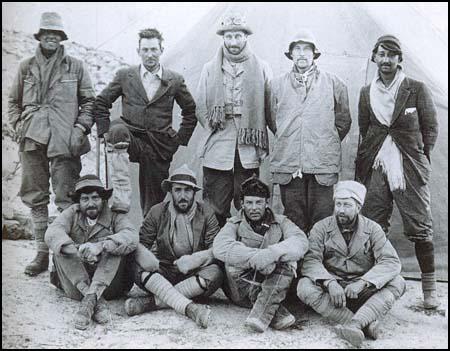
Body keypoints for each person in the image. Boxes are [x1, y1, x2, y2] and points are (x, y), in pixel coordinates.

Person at [355, 35, 440, 309]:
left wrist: (420, 158)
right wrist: (367, 161)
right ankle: (377, 283)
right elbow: (365, 129)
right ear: (374, 58)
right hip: (377, 163)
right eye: (381, 54)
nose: (386, 60)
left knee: (419, 225)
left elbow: (431, 128)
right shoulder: (366, 92)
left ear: (399, 59)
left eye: (391, 55)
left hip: (408, 165)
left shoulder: (416, 89)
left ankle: (430, 291)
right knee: (374, 223)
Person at [8, 12, 95, 276]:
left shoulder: (76, 66)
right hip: (32, 140)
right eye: (47, 32)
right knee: (36, 197)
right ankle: (41, 254)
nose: (51, 37)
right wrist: (19, 125)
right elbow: (13, 103)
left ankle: (65, 257)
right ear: (40, 35)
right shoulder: (26, 66)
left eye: (56, 33)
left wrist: (80, 129)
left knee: (67, 198)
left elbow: (89, 102)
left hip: (64, 141)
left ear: (61, 38)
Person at [95, 28, 197, 216]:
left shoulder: (174, 79)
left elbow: (190, 110)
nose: (150, 55)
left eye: (154, 50)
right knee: (117, 130)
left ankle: (150, 240)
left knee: (153, 205)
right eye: (145, 50)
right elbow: (101, 102)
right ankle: (121, 195)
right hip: (130, 137)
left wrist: (179, 139)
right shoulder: (125, 75)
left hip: (159, 145)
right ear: (138, 51)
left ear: (161, 50)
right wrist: (104, 132)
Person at [297, 180, 405, 347]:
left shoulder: (373, 229)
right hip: (333, 291)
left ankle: (355, 324)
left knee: (398, 282)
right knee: (303, 286)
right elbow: (311, 260)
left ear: (358, 207)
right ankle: (364, 323)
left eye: (347, 205)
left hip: (362, 290)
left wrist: (363, 283)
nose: (340, 210)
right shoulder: (321, 228)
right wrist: (329, 282)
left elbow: (390, 261)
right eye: (338, 204)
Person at [269, 29, 351, 233]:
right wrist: (293, 138)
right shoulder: (276, 85)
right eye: (297, 49)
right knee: (293, 217)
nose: (302, 53)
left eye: (307, 49)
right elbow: (273, 121)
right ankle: (295, 263)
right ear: (291, 54)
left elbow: (343, 121)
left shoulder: (334, 83)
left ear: (315, 53)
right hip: (289, 161)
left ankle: (317, 263)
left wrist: (322, 140)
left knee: (321, 217)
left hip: (322, 162)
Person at [196, 13, 272, 227]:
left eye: (238, 36)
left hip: (248, 144)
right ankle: (214, 250)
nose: (233, 42)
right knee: (214, 206)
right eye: (228, 37)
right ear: (223, 38)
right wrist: (214, 126)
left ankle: (245, 246)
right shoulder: (210, 68)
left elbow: (269, 106)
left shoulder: (262, 67)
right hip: (218, 144)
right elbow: (201, 105)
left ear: (246, 37)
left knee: (248, 203)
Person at [124, 165, 223, 329]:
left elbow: (216, 249)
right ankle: (191, 308)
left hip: (193, 273)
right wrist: (147, 257)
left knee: (216, 272)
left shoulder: (206, 213)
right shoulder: (157, 211)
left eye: (187, 190)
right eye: (178, 190)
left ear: (194, 192)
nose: (182, 196)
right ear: (171, 191)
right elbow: (141, 243)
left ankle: (151, 303)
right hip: (163, 271)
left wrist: (195, 260)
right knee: (134, 265)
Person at [213, 176, 309, 332]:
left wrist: (272, 253)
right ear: (242, 204)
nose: (254, 208)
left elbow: (301, 241)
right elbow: (220, 247)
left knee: (289, 263)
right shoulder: (234, 223)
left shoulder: (281, 221)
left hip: (271, 281)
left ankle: (259, 317)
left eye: (258, 202)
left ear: (267, 203)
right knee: (231, 264)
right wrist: (257, 257)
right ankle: (275, 313)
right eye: (249, 203)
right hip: (242, 289)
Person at [44, 175, 138, 330]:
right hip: (75, 284)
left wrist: (101, 246)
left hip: (109, 286)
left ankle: (90, 300)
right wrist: (77, 249)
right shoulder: (72, 213)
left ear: (103, 199)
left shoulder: (114, 216)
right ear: (78, 202)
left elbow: (132, 236)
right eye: (85, 199)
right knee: (61, 248)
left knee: (116, 247)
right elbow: (52, 233)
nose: (91, 203)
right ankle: (94, 299)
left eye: (95, 198)